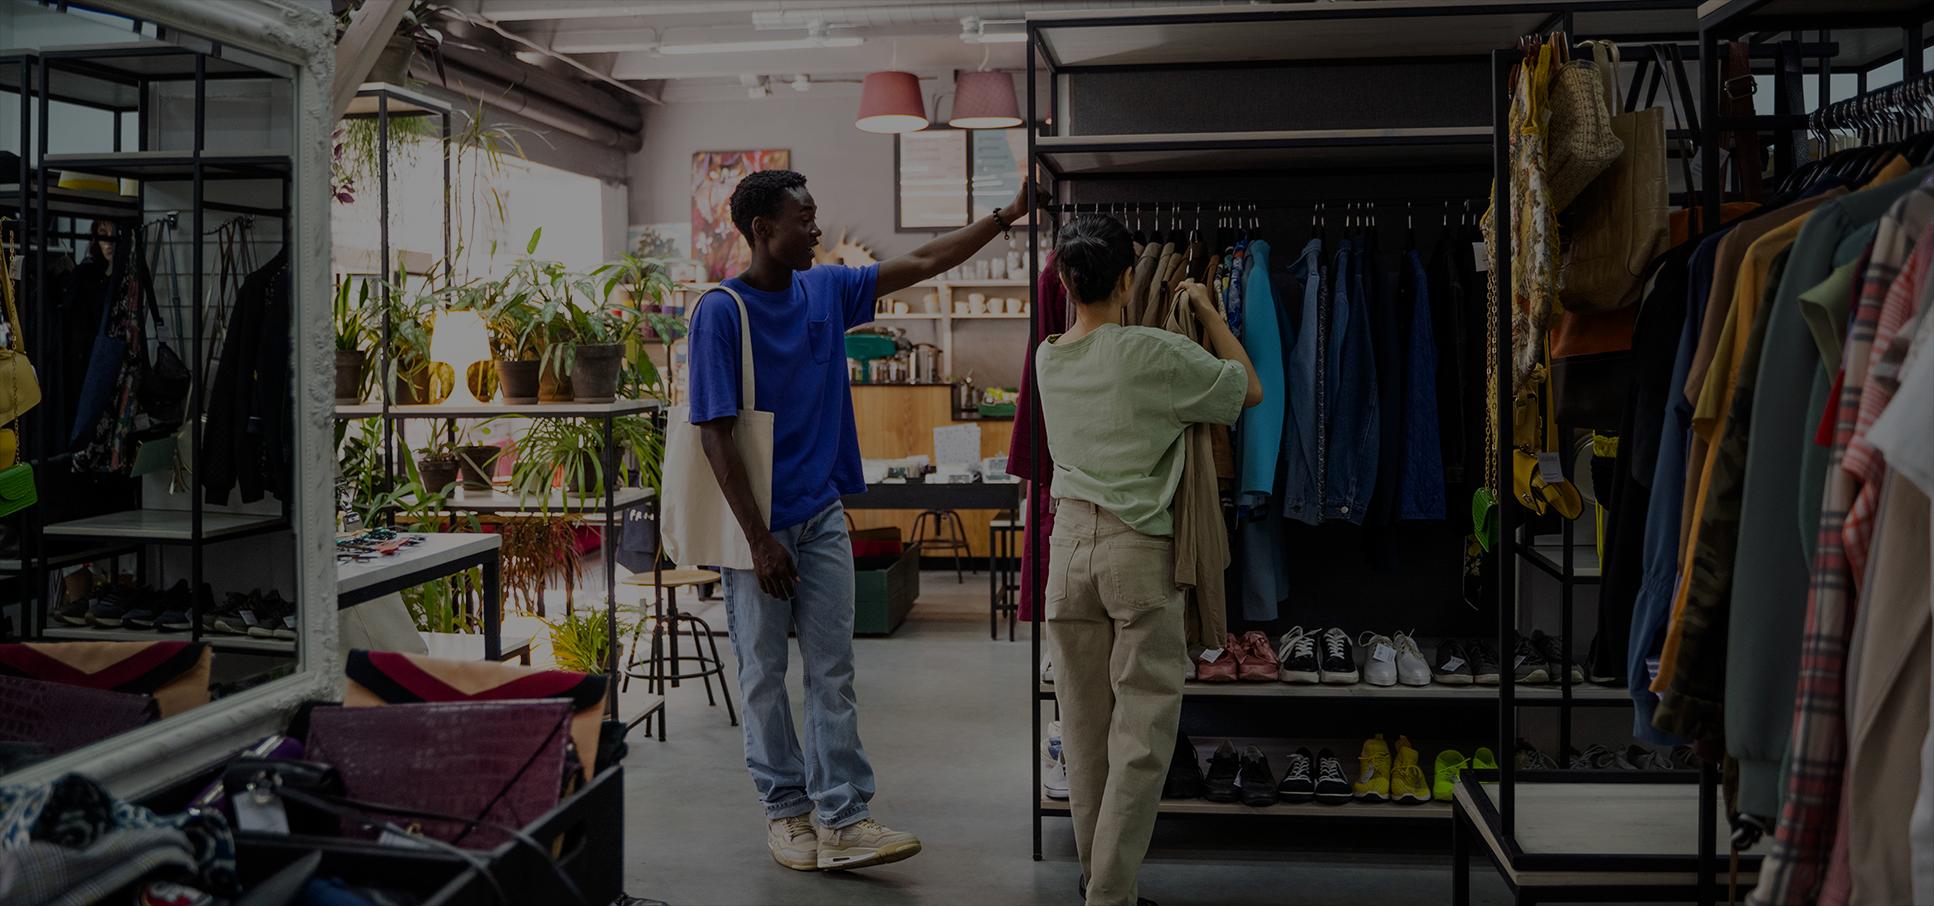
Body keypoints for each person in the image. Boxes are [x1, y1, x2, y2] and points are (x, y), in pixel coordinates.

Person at [687, 169, 1036, 873]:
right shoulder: (721, 312)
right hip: (756, 526)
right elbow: (715, 433)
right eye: (804, 219)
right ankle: (787, 813)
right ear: (762, 230)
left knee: (833, 670)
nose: (817, 229)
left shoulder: (825, 289)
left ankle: (842, 818)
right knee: (762, 673)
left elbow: (926, 260)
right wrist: (758, 541)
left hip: (821, 514)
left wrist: (1008, 216)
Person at [1033, 215, 1261, 906]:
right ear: (1130, 279)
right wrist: (1210, 313)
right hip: (1136, 551)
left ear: (1065, 281)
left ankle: (1105, 886)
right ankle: (1109, 896)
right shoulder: (1154, 352)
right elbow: (1245, 389)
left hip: (1068, 551)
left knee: (1082, 729)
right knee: (1141, 732)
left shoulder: (1049, 357)